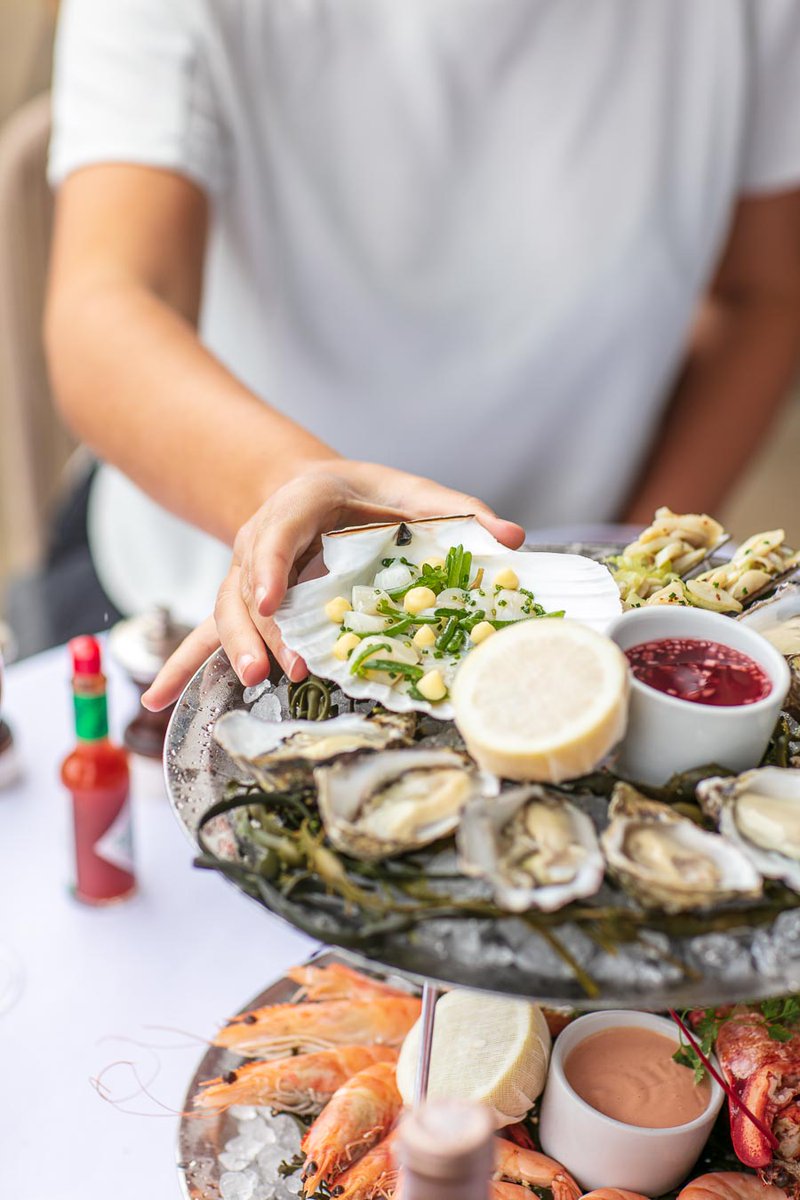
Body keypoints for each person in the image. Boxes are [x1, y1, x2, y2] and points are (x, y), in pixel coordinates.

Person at [44, 0, 800, 707]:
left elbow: (762, 294)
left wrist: (627, 579)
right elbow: (106, 305)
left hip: (580, 585)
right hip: (188, 604)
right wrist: (298, 490)